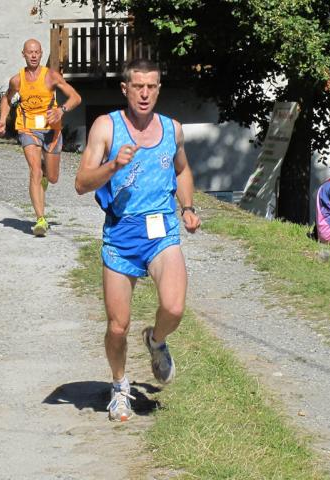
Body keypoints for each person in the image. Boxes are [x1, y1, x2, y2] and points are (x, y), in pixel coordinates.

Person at [74, 59, 201, 421]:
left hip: (162, 229)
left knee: (174, 308)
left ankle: (156, 341)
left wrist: (188, 207)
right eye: (138, 86)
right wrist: (112, 166)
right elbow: (81, 183)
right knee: (117, 326)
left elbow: (182, 170)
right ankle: (119, 387)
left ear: (159, 89)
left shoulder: (172, 129)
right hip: (121, 233)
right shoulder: (106, 127)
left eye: (152, 86)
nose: (145, 93)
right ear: (125, 89)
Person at [0, 38, 81, 236]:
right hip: (28, 129)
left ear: (41, 54)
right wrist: (2, 119)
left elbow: (76, 97)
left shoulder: (51, 76)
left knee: (52, 176)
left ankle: (44, 175)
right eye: (29, 52)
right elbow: (7, 99)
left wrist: (61, 110)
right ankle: (40, 219)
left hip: (52, 130)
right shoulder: (17, 80)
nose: (33, 55)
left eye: (36, 52)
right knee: (34, 170)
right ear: (23, 54)